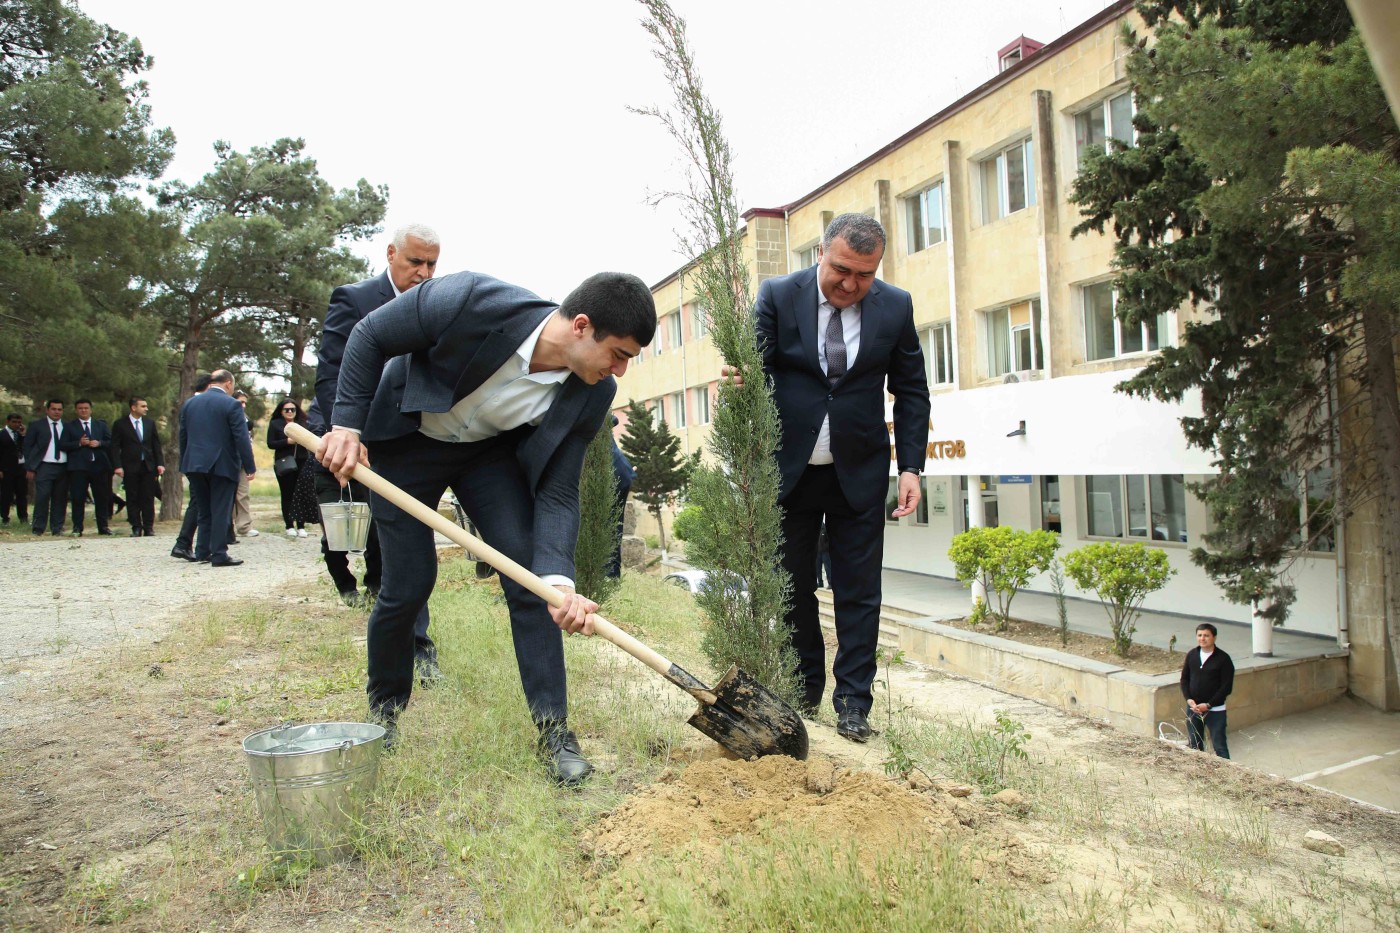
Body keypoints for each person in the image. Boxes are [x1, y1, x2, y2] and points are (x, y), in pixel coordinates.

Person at [318, 269, 656, 782]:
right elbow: (370, 335)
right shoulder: (467, 300)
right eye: (620, 354)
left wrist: (559, 582)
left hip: (484, 455)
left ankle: (555, 733)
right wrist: (346, 425)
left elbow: (559, 490)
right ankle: (384, 710)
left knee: (530, 583)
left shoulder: (591, 391)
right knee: (408, 583)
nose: (621, 371)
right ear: (582, 326)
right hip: (407, 441)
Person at [739, 213, 930, 742]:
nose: (850, 285)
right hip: (789, 474)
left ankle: (853, 706)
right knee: (794, 587)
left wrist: (911, 465)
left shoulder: (896, 306)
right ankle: (805, 694)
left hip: (860, 474)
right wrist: (738, 382)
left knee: (859, 592)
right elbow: (753, 369)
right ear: (821, 252)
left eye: (864, 276)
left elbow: (911, 390)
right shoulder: (778, 295)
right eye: (842, 270)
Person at [311, 222, 442, 684]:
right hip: (364, 440)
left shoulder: (437, 303)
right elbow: (333, 374)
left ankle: (419, 647)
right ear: (391, 255)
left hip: (415, 442)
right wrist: (344, 434)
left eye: (432, 264)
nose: (424, 273)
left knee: (410, 544)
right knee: (378, 545)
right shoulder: (355, 300)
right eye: (415, 263)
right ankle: (392, 650)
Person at [179, 369, 256, 567]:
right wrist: (249, 466)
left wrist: (185, 462)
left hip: (194, 464)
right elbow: (241, 437)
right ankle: (219, 553)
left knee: (204, 510)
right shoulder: (231, 404)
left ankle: (202, 551)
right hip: (221, 463)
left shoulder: (190, 403)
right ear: (228, 383)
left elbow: (183, 436)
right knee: (221, 509)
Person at [171, 373, 213, 560]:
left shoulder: (189, 404)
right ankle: (184, 543)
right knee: (198, 503)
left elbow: (183, 437)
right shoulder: (199, 405)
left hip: (191, 461)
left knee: (197, 502)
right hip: (201, 463)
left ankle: (186, 543)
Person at [110, 396, 165, 537]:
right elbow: (115, 447)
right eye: (143, 406)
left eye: (146, 406)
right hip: (130, 466)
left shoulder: (149, 423)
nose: (146, 408)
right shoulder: (120, 424)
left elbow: (155, 444)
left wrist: (160, 463)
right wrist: (117, 466)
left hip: (148, 466)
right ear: (134, 407)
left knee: (148, 497)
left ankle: (148, 527)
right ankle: (136, 526)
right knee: (132, 497)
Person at [60, 399, 114, 536]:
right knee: (78, 498)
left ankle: (103, 527)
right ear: (76, 410)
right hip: (79, 468)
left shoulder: (100, 425)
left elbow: (111, 442)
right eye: (80, 408)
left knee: (101, 497)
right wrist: (78, 443)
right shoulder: (69, 426)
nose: (83, 410)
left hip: (99, 467)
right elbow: (63, 445)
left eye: (86, 408)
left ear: (91, 409)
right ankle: (77, 527)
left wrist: (99, 443)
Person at [1181, 622, 1234, 759]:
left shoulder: (1223, 659)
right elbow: (1184, 679)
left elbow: (1226, 687)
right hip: (1194, 709)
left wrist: (1209, 705)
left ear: (1214, 637)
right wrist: (1189, 699)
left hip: (1215, 711)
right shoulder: (1192, 655)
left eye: (1206, 635)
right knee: (1195, 745)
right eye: (1199, 635)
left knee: (1219, 746)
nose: (1202, 638)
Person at [23, 399, 70, 536]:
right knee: (43, 497)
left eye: (59, 409)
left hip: (63, 466)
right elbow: (28, 446)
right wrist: (30, 467)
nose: (56, 412)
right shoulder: (37, 426)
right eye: (54, 409)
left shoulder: (67, 426)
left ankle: (57, 528)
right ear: (47, 410)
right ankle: (38, 528)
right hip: (44, 466)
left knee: (60, 498)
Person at [266, 398, 310, 537]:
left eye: (293, 409)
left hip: (302, 461)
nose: (290, 412)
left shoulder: (303, 423)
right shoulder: (275, 424)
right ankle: (289, 524)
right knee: (287, 495)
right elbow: (271, 443)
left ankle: (301, 525)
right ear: (281, 411)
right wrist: (287, 441)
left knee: (301, 493)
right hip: (284, 462)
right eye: (287, 410)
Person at [231, 390, 259, 539]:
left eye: (244, 403)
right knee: (229, 496)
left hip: (243, 461)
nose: (242, 405)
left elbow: (247, 443)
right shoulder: (229, 416)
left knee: (242, 494)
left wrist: (250, 464)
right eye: (240, 402)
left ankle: (244, 526)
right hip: (229, 461)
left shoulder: (246, 419)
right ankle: (227, 526)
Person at [0, 413, 27, 527]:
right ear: (8, 422)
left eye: (19, 422)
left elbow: (25, 447)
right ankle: (5, 517)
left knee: (22, 494)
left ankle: (23, 517)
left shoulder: (20, 435)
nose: (17, 424)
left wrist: (23, 435)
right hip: (6, 469)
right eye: (14, 422)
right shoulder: (2, 435)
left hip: (21, 468)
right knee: (6, 495)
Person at [815, 519, 832, 589]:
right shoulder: (816, 531)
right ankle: (820, 582)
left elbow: (829, 541)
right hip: (818, 552)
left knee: (827, 568)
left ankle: (830, 583)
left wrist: (826, 548)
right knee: (818, 568)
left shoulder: (825, 529)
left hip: (825, 552)